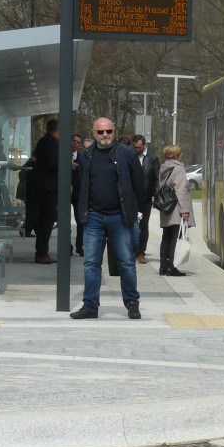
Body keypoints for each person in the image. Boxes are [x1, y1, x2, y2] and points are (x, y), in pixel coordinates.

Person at [69, 117, 145, 320]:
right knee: (91, 263)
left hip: (119, 217)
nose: (105, 135)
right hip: (94, 216)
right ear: (93, 133)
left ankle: (132, 303)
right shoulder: (86, 155)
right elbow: (81, 185)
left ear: (114, 131)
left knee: (127, 262)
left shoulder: (126, 153)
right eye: (101, 132)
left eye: (109, 131)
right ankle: (90, 306)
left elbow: (139, 183)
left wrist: (136, 211)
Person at [157, 145, 194, 277]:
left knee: (166, 237)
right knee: (175, 239)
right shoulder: (178, 169)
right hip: (176, 209)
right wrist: (185, 210)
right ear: (177, 155)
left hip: (166, 208)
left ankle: (163, 266)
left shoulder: (163, 168)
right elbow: (181, 190)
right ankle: (172, 266)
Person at [32, 119, 59, 264]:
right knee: (47, 221)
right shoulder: (50, 142)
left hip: (47, 186)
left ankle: (43, 251)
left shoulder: (47, 141)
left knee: (48, 221)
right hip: (47, 187)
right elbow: (53, 162)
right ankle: (41, 252)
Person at [132, 134, 160, 264]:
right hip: (131, 197)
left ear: (144, 145)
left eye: (139, 147)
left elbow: (156, 179)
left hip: (146, 198)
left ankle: (141, 252)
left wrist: (156, 197)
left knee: (143, 225)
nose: (137, 149)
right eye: (135, 147)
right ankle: (132, 250)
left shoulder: (152, 158)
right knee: (130, 225)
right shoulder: (130, 156)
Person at [16, 156, 38, 238]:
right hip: (29, 193)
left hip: (25, 192)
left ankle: (27, 229)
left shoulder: (27, 167)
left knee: (31, 212)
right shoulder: (32, 166)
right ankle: (27, 229)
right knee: (32, 212)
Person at [70, 133, 84, 256]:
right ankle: (67, 246)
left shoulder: (82, 157)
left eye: (78, 142)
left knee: (80, 221)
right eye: (74, 141)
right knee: (64, 221)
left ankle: (80, 246)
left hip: (78, 192)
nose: (75, 143)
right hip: (65, 191)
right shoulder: (62, 155)